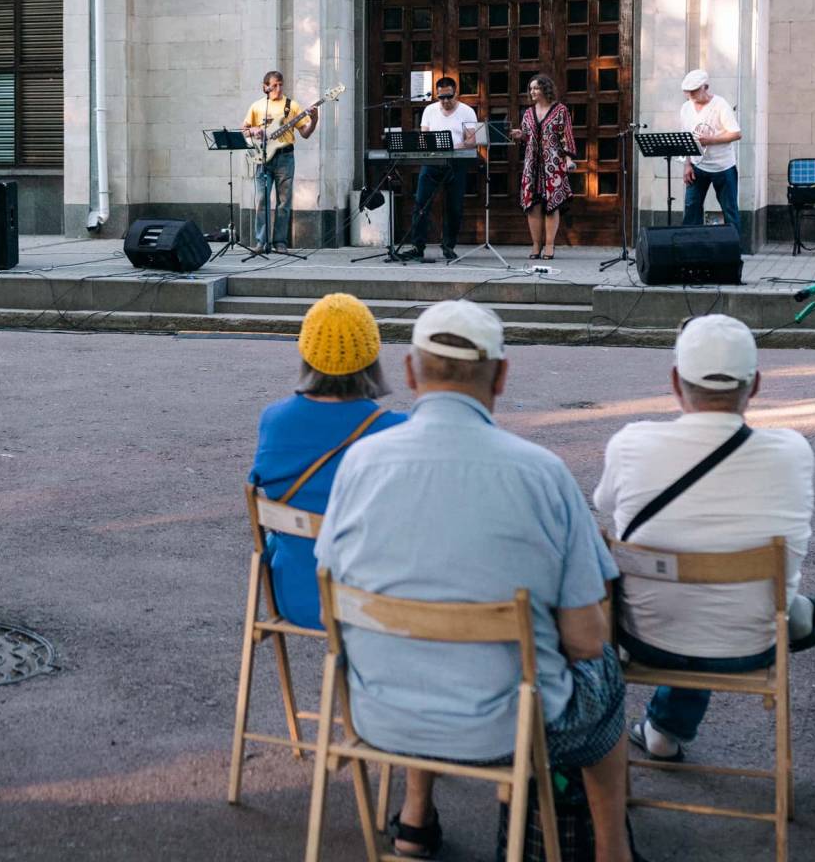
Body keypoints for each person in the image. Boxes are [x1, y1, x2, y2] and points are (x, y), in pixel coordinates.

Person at [315, 301, 631, 862]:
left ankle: (415, 816)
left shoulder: (360, 464)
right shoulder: (542, 474)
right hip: (512, 729)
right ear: (502, 376)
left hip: (380, 714)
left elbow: (329, 609)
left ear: (411, 372)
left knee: (423, 638)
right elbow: (587, 640)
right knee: (605, 673)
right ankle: (612, 851)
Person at [594, 314, 815, 763]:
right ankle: (666, 728)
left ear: (674, 380)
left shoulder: (631, 444)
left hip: (646, 634)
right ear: (757, 384)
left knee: (686, 592)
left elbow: (605, 504)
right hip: (752, 641)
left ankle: (662, 730)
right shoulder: (792, 452)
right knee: (722, 599)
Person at [248, 294, 404, 630]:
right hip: (374, 598)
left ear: (307, 352)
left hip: (298, 596)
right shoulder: (398, 431)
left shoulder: (274, 421)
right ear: (371, 354)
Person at [399, 76, 477, 264]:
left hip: (456, 163)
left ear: (455, 93)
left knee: (454, 207)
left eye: (449, 97)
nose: (445, 101)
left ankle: (448, 245)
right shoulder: (429, 110)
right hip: (432, 162)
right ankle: (418, 246)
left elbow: (471, 141)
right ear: (437, 95)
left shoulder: (467, 112)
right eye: (441, 98)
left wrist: (452, 146)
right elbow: (425, 136)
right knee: (421, 203)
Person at [242, 70, 318, 253]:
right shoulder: (257, 106)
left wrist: (314, 119)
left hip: (285, 157)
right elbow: (244, 130)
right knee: (261, 200)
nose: (278, 88)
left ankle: (280, 242)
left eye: (280, 84)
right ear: (265, 87)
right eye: (274, 85)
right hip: (263, 157)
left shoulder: (292, 106)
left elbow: (305, 134)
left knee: (284, 201)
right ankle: (261, 241)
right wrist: (254, 131)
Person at [508, 74, 576, 260]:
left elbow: (567, 136)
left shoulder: (560, 110)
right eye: (530, 89)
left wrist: (569, 159)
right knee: (533, 206)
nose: (532, 92)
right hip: (532, 165)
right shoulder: (528, 113)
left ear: (545, 89)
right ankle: (536, 245)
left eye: (535, 88)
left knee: (551, 206)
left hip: (553, 164)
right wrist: (520, 135)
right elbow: (527, 136)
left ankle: (549, 246)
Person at [679, 68, 743, 236]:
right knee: (691, 207)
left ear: (705, 87)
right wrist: (687, 164)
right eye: (688, 92)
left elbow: (736, 133)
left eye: (694, 91)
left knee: (729, 209)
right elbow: (687, 138)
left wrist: (711, 140)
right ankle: (691, 249)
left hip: (723, 167)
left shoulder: (720, 105)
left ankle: (733, 252)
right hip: (697, 166)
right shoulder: (686, 108)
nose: (691, 96)